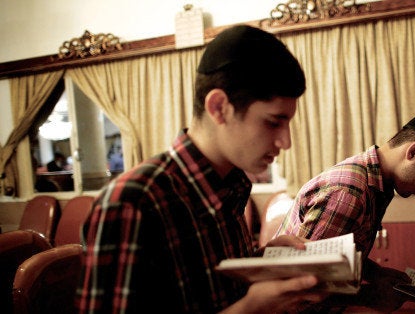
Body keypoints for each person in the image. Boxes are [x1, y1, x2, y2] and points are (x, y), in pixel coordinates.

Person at [76, 25, 326, 313]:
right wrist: (251, 310)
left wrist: (261, 262)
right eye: (273, 122)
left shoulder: (230, 185)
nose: (286, 142)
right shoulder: (133, 202)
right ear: (219, 107)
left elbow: (209, 292)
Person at [274, 109, 415, 312]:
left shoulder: (375, 183)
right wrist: (369, 296)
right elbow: (299, 288)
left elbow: (335, 256)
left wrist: (376, 273)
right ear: (414, 152)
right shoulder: (348, 194)